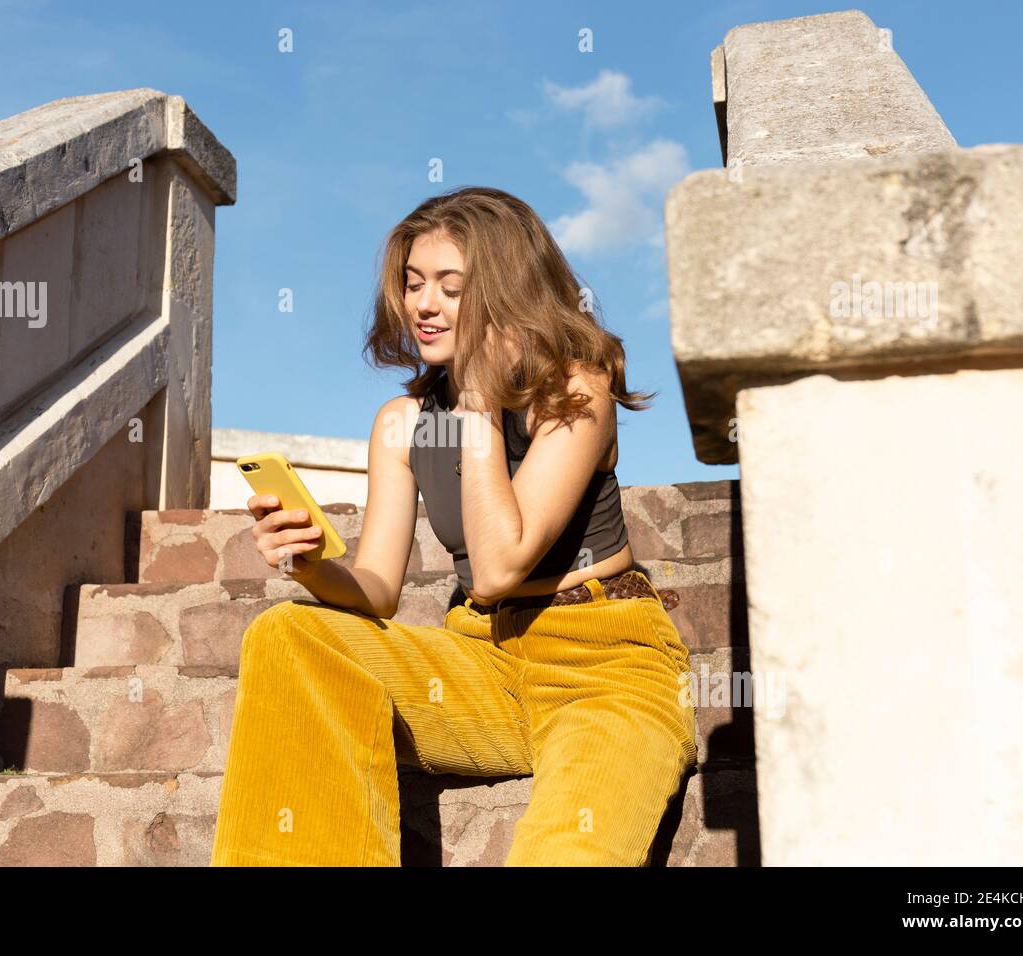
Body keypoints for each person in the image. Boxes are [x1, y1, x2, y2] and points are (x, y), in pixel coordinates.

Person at [209, 186, 697, 867]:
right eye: (412, 285)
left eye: (448, 286)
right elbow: (378, 588)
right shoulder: (402, 424)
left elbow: (501, 566)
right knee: (290, 634)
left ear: (505, 291)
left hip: (605, 666)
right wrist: (309, 560)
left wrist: (478, 407)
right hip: (483, 658)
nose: (423, 306)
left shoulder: (576, 391)